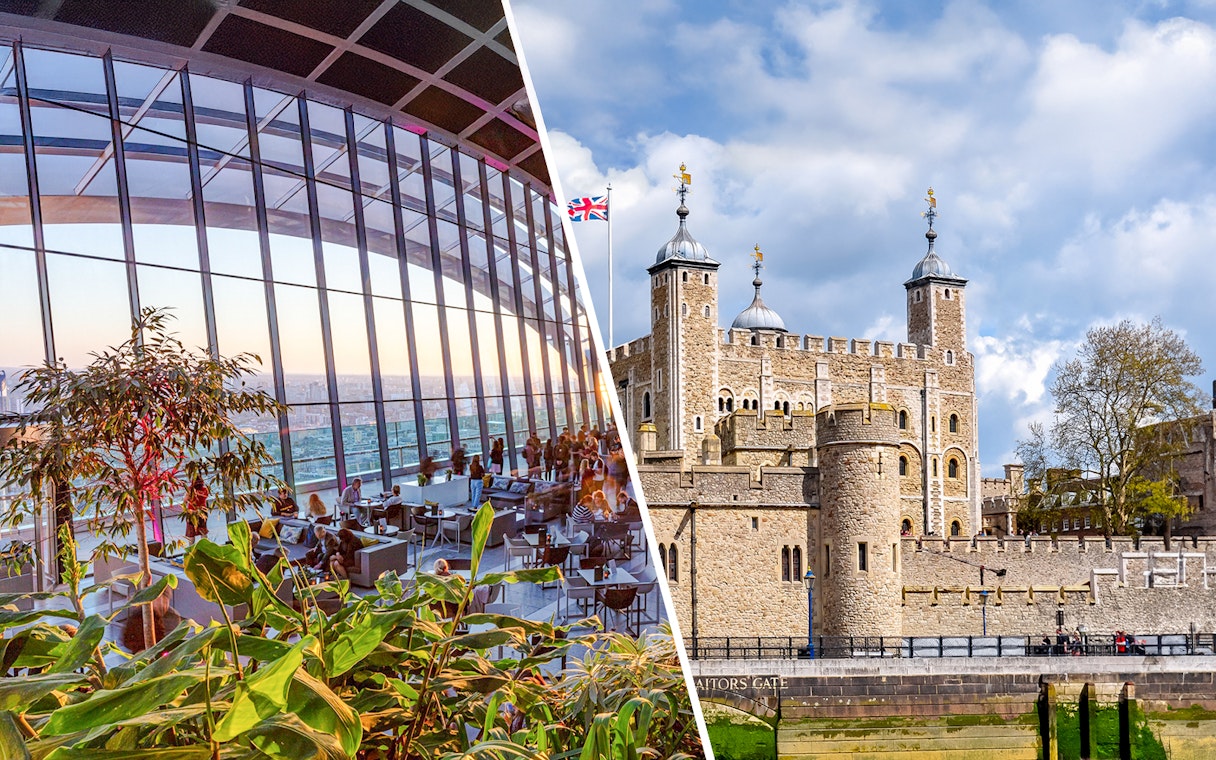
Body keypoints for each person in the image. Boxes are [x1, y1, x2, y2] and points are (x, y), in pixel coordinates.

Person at [183, 475, 209, 543]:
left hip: (192, 512)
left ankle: (191, 548)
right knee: (203, 530)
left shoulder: (190, 490)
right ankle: (205, 546)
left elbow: (185, 500)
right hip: (202, 511)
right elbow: (205, 497)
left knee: (191, 532)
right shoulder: (205, 489)